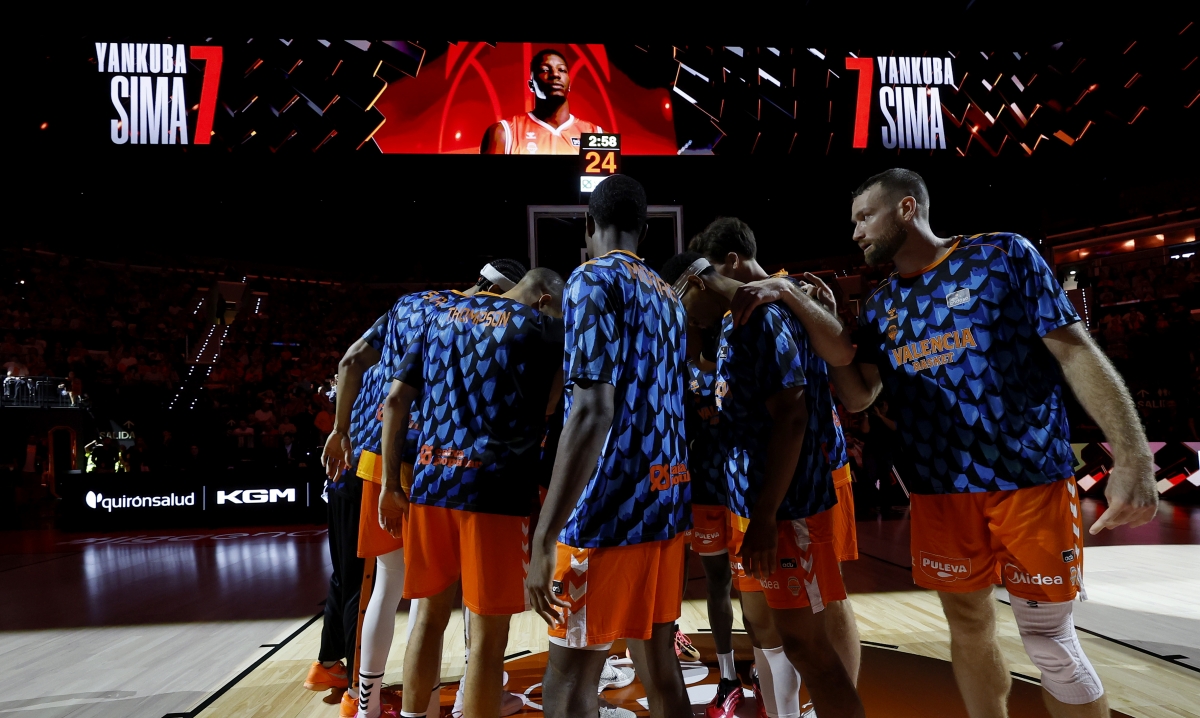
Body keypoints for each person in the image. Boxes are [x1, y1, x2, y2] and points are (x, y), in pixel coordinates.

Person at [729, 168, 1159, 718]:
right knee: (969, 626)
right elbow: (857, 394)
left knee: (1049, 643)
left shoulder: (1002, 255)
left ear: (907, 208)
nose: (856, 232)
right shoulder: (881, 305)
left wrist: (1133, 455)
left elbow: (1076, 351)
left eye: (865, 217)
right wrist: (816, 316)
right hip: (938, 492)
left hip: (1029, 482)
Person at [663, 248, 864, 718]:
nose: (682, 320)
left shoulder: (761, 316)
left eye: (680, 305)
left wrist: (767, 516)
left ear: (698, 284)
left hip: (788, 511)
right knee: (785, 640)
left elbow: (792, 417)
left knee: (812, 650)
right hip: (752, 508)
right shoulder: (731, 324)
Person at [525, 175, 691, 718]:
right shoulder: (669, 297)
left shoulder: (591, 279)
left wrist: (545, 534)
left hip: (606, 512)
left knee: (568, 680)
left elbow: (592, 411)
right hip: (665, 503)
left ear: (588, 226)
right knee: (661, 670)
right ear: (645, 231)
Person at [382, 269, 566, 718]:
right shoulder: (539, 328)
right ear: (544, 300)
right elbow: (551, 405)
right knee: (487, 637)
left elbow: (395, 401)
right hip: (496, 491)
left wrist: (389, 484)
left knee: (427, 619)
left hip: (430, 483)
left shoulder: (439, 316)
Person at [682, 328, 743, 717]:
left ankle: (766, 671)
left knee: (755, 587)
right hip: (704, 489)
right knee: (718, 582)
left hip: (744, 490)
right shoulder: (682, 370)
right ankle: (728, 677)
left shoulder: (740, 356)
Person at [480, 48, 603, 155]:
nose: (555, 74)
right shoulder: (504, 133)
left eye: (562, 70)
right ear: (531, 85)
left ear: (569, 84)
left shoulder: (596, 135)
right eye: (545, 70)